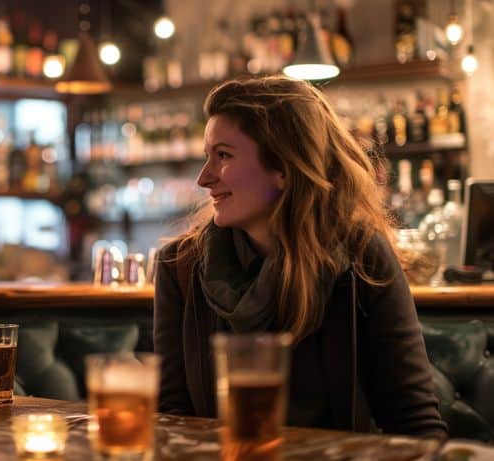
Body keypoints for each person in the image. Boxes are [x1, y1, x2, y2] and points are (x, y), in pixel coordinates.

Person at [153, 76, 447, 438]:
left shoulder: (361, 257)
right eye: (207, 156)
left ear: (284, 168)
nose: (204, 178)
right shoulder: (179, 267)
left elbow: (414, 421)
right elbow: (174, 422)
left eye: (224, 155)